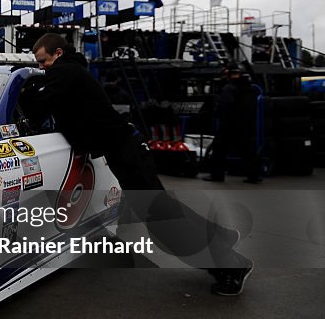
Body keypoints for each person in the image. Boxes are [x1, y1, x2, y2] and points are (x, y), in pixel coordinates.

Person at [19, 32, 252, 296]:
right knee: (165, 208)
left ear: (57, 54)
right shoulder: (73, 71)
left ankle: (231, 268)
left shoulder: (64, 73)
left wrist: (23, 90)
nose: (40, 67)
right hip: (129, 149)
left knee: (162, 222)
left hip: (126, 153)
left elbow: (37, 108)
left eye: (42, 61)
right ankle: (222, 237)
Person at [205, 64, 261, 184]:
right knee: (249, 150)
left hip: (230, 124)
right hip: (247, 124)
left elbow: (224, 106)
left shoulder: (229, 88)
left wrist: (218, 113)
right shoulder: (250, 88)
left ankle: (217, 175)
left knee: (219, 149)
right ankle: (254, 175)